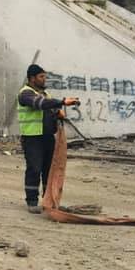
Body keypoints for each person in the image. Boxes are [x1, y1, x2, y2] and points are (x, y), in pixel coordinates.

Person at [17, 64, 80, 213]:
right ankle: (32, 201)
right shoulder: (25, 94)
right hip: (32, 138)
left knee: (48, 170)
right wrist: (63, 102)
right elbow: (40, 104)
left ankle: (49, 200)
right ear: (32, 78)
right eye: (41, 77)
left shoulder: (46, 94)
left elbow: (50, 107)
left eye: (45, 76)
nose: (44, 79)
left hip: (47, 138)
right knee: (34, 169)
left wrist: (58, 113)